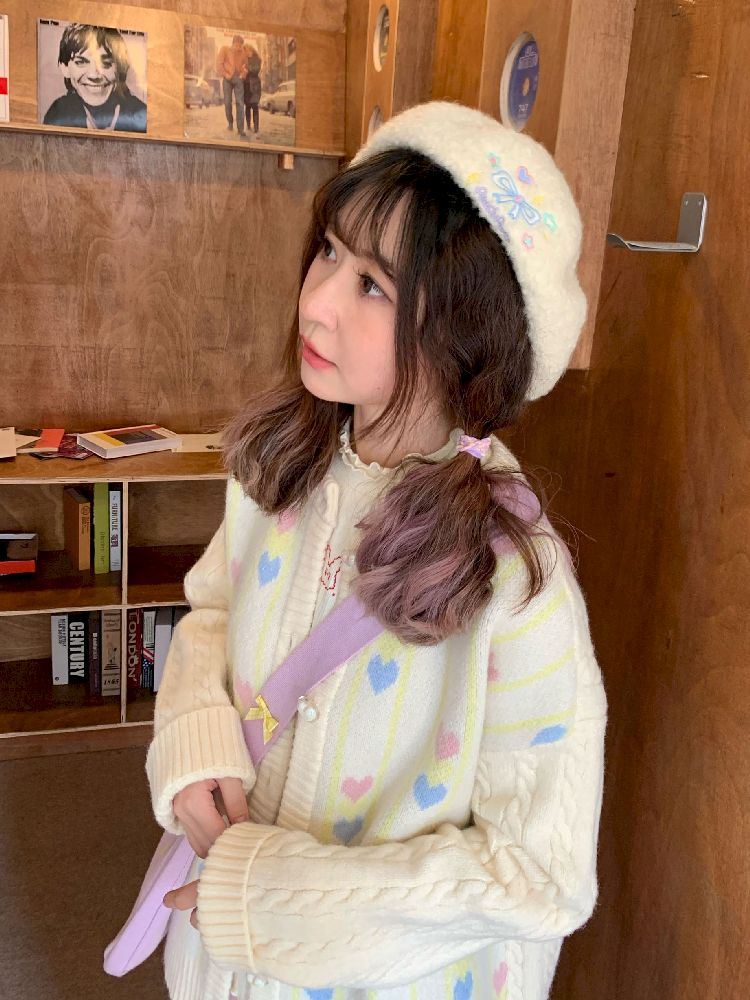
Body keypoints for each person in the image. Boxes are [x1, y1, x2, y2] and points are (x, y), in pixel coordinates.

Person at [150, 102, 607, 1000]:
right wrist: (197, 739)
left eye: (372, 286)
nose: (316, 302)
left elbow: (542, 871)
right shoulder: (276, 466)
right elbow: (213, 609)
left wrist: (278, 900)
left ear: (463, 334)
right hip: (217, 968)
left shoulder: (515, 579)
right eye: (328, 251)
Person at [43, 22, 146, 132]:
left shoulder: (142, 116)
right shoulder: (58, 115)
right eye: (81, 62)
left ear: (121, 68)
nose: (94, 75)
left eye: (106, 63)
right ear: (64, 68)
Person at [216, 35, 248, 137]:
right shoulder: (224, 49)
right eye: (237, 45)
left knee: (240, 103)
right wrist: (225, 74)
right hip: (227, 79)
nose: (239, 48)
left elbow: (246, 67)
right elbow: (219, 64)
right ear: (233, 44)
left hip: (238, 79)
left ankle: (240, 129)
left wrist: (242, 75)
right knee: (227, 102)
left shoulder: (243, 53)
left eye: (240, 46)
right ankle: (230, 122)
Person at [243, 44, 262, 137]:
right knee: (247, 106)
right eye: (244, 51)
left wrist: (247, 68)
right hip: (246, 85)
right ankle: (248, 126)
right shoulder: (244, 59)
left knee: (255, 106)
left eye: (246, 50)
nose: (245, 52)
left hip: (254, 85)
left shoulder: (257, 59)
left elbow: (255, 70)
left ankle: (256, 127)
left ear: (250, 49)